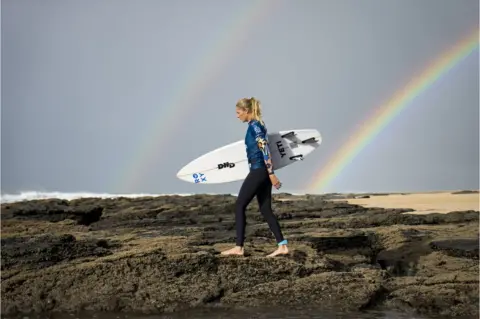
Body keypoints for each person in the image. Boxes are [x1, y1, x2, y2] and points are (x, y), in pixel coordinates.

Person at [220, 97, 289, 258]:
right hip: (262, 171)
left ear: (247, 111)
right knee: (265, 209)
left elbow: (264, 148)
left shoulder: (255, 126)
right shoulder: (258, 124)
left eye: (239, 112)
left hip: (259, 170)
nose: (237, 116)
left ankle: (239, 247)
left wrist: (271, 174)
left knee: (239, 206)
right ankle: (282, 246)